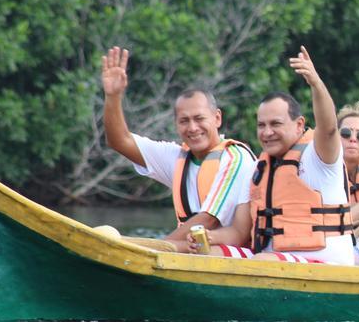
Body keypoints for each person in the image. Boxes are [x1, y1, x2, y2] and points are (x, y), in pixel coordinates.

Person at [99, 47, 254, 251]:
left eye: (199, 119)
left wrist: (155, 250)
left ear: (217, 118)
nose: (192, 128)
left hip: (229, 251)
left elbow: (207, 220)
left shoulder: (235, 158)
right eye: (184, 121)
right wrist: (113, 96)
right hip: (189, 248)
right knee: (108, 235)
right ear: (176, 124)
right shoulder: (178, 157)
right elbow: (119, 141)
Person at [211, 47, 354, 264]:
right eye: (261, 125)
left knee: (261, 261)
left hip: (325, 266)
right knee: (209, 253)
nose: (267, 133)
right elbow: (239, 232)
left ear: (299, 125)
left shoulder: (318, 157)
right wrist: (204, 238)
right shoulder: (256, 169)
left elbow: (329, 128)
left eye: (275, 124)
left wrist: (316, 84)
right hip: (270, 259)